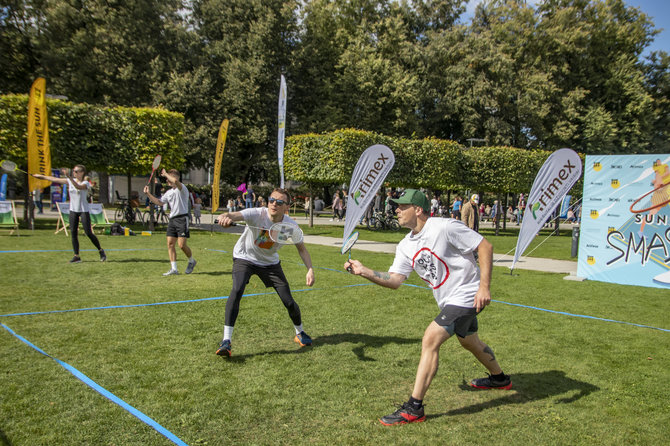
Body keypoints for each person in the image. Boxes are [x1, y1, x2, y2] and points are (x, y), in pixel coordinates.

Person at [344, 189, 511, 426]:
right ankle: (500, 379)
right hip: (450, 300)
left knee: (430, 338)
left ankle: (414, 408)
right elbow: (394, 280)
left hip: (468, 294)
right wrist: (365, 271)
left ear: (418, 209)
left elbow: (485, 247)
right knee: (469, 341)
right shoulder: (405, 245)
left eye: (402, 206)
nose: (396, 210)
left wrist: (484, 287)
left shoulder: (444, 227)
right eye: (396, 207)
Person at [214, 188, 316, 357]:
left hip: (270, 264)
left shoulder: (290, 226)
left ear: (286, 207)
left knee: (288, 301)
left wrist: (310, 269)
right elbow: (234, 215)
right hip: (244, 257)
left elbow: (302, 250)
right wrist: (225, 217)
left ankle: (300, 333)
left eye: (280, 202)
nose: (274, 204)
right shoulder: (256, 214)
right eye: (271, 200)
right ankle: (226, 341)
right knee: (237, 289)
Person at [32, 166, 106, 263]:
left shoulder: (85, 183)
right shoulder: (70, 180)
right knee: (73, 233)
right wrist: (41, 176)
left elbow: (78, 187)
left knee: (88, 233)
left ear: (82, 172)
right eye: (73, 171)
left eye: (76, 171)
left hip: (83, 210)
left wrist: (69, 178)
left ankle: (101, 250)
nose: (74, 173)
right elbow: (55, 179)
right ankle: (76, 256)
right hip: (73, 210)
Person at [144, 169, 196, 276]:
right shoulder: (169, 192)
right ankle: (174, 269)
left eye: (168, 179)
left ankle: (191, 261)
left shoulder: (182, 188)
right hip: (172, 219)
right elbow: (159, 202)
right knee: (170, 244)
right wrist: (148, 194)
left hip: (182, 219)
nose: (167, 181)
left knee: (181, 245)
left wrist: (166, 174)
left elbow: (176, 182)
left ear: (175, 178)